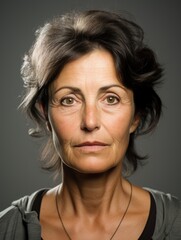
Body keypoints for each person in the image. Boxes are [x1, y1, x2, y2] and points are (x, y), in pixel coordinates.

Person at [0, 10, 180, 240]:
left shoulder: (176, 224)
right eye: (69, 100)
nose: (90, 122)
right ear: (45, 114)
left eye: (111, 99)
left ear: (137, 115)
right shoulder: (7, 229)